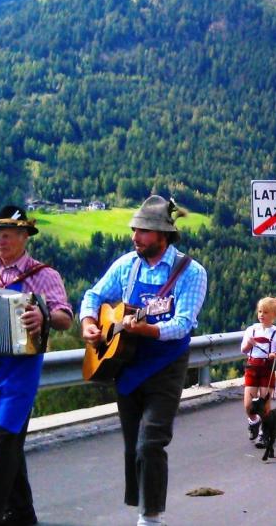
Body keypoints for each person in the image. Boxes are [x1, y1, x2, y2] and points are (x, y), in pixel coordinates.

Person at [80, 196, 207, 526]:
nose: (135, 236)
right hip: (128, 363)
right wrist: (90, 324)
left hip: (166, 364)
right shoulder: (127, 265)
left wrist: (147, 329)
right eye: (135, 229)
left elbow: (182, 324)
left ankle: (151, 518)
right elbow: (93, 296)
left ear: (163, 235)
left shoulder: (192, 273)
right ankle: (143, 508)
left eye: (143, 231)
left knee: (151, 441)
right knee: (132, 446)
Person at [0, 205, 73, 526]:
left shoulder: (44, 275)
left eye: (6, 235)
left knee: (4, 441)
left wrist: (44, 316)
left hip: (21, 369)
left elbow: (66, 317)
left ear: (24, 237)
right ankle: (23, 514)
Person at [241, 297, 276, 448]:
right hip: (252, 368)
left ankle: (263, 433)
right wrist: (249, 343)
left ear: (273, 315)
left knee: (265, 403)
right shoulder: (251, 330)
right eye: (260, 311)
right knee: (249, 405)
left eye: (266, 312)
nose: (261, 315)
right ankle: (254, 421)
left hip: (267, 369)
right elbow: (243, 350)